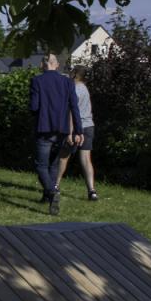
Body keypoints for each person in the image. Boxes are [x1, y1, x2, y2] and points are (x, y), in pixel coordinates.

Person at [30, 53, 83, 216]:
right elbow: (75, 107)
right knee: (53, 165)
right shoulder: (67, 82)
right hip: (62, 129)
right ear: (56, 65)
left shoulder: (37, 81)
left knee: (40, 165)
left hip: (44, 127)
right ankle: (48, 196)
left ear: (43, 64)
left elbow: (34, 107)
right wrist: (78, 131)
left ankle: (51, 192)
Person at [56, 65, 99, 201]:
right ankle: (92, 191)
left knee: (64, 156)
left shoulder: (74, 89)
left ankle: (55, 185)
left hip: (76, 127)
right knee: (86, 159)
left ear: (75, 74)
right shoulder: (85, 89)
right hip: (89, 126)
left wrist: (69, 133)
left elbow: (70, 112)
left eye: (71, 71)